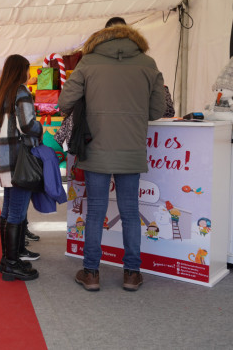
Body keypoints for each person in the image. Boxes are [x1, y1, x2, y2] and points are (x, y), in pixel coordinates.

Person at [58, 21, 166, 292]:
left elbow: (64, 102)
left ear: (102, 35)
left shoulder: (88, 62)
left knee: (95, 211)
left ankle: (91, 273)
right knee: (130, 212)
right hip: (131, 149)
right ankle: (131, 274)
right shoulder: (148, 63)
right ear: (130, 34)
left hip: (96, 148)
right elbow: (156, 111)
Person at [0, 54, 43, 281]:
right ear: (21, 70)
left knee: (9, 209)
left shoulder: (0, 94)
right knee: (18, 212)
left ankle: (8, 258)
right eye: (27, 69)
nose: (29, 73)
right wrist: (40, 127)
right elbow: (28, 125)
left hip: (4, 159)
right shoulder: (21, 92)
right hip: (20, 159)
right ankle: (12, 262)